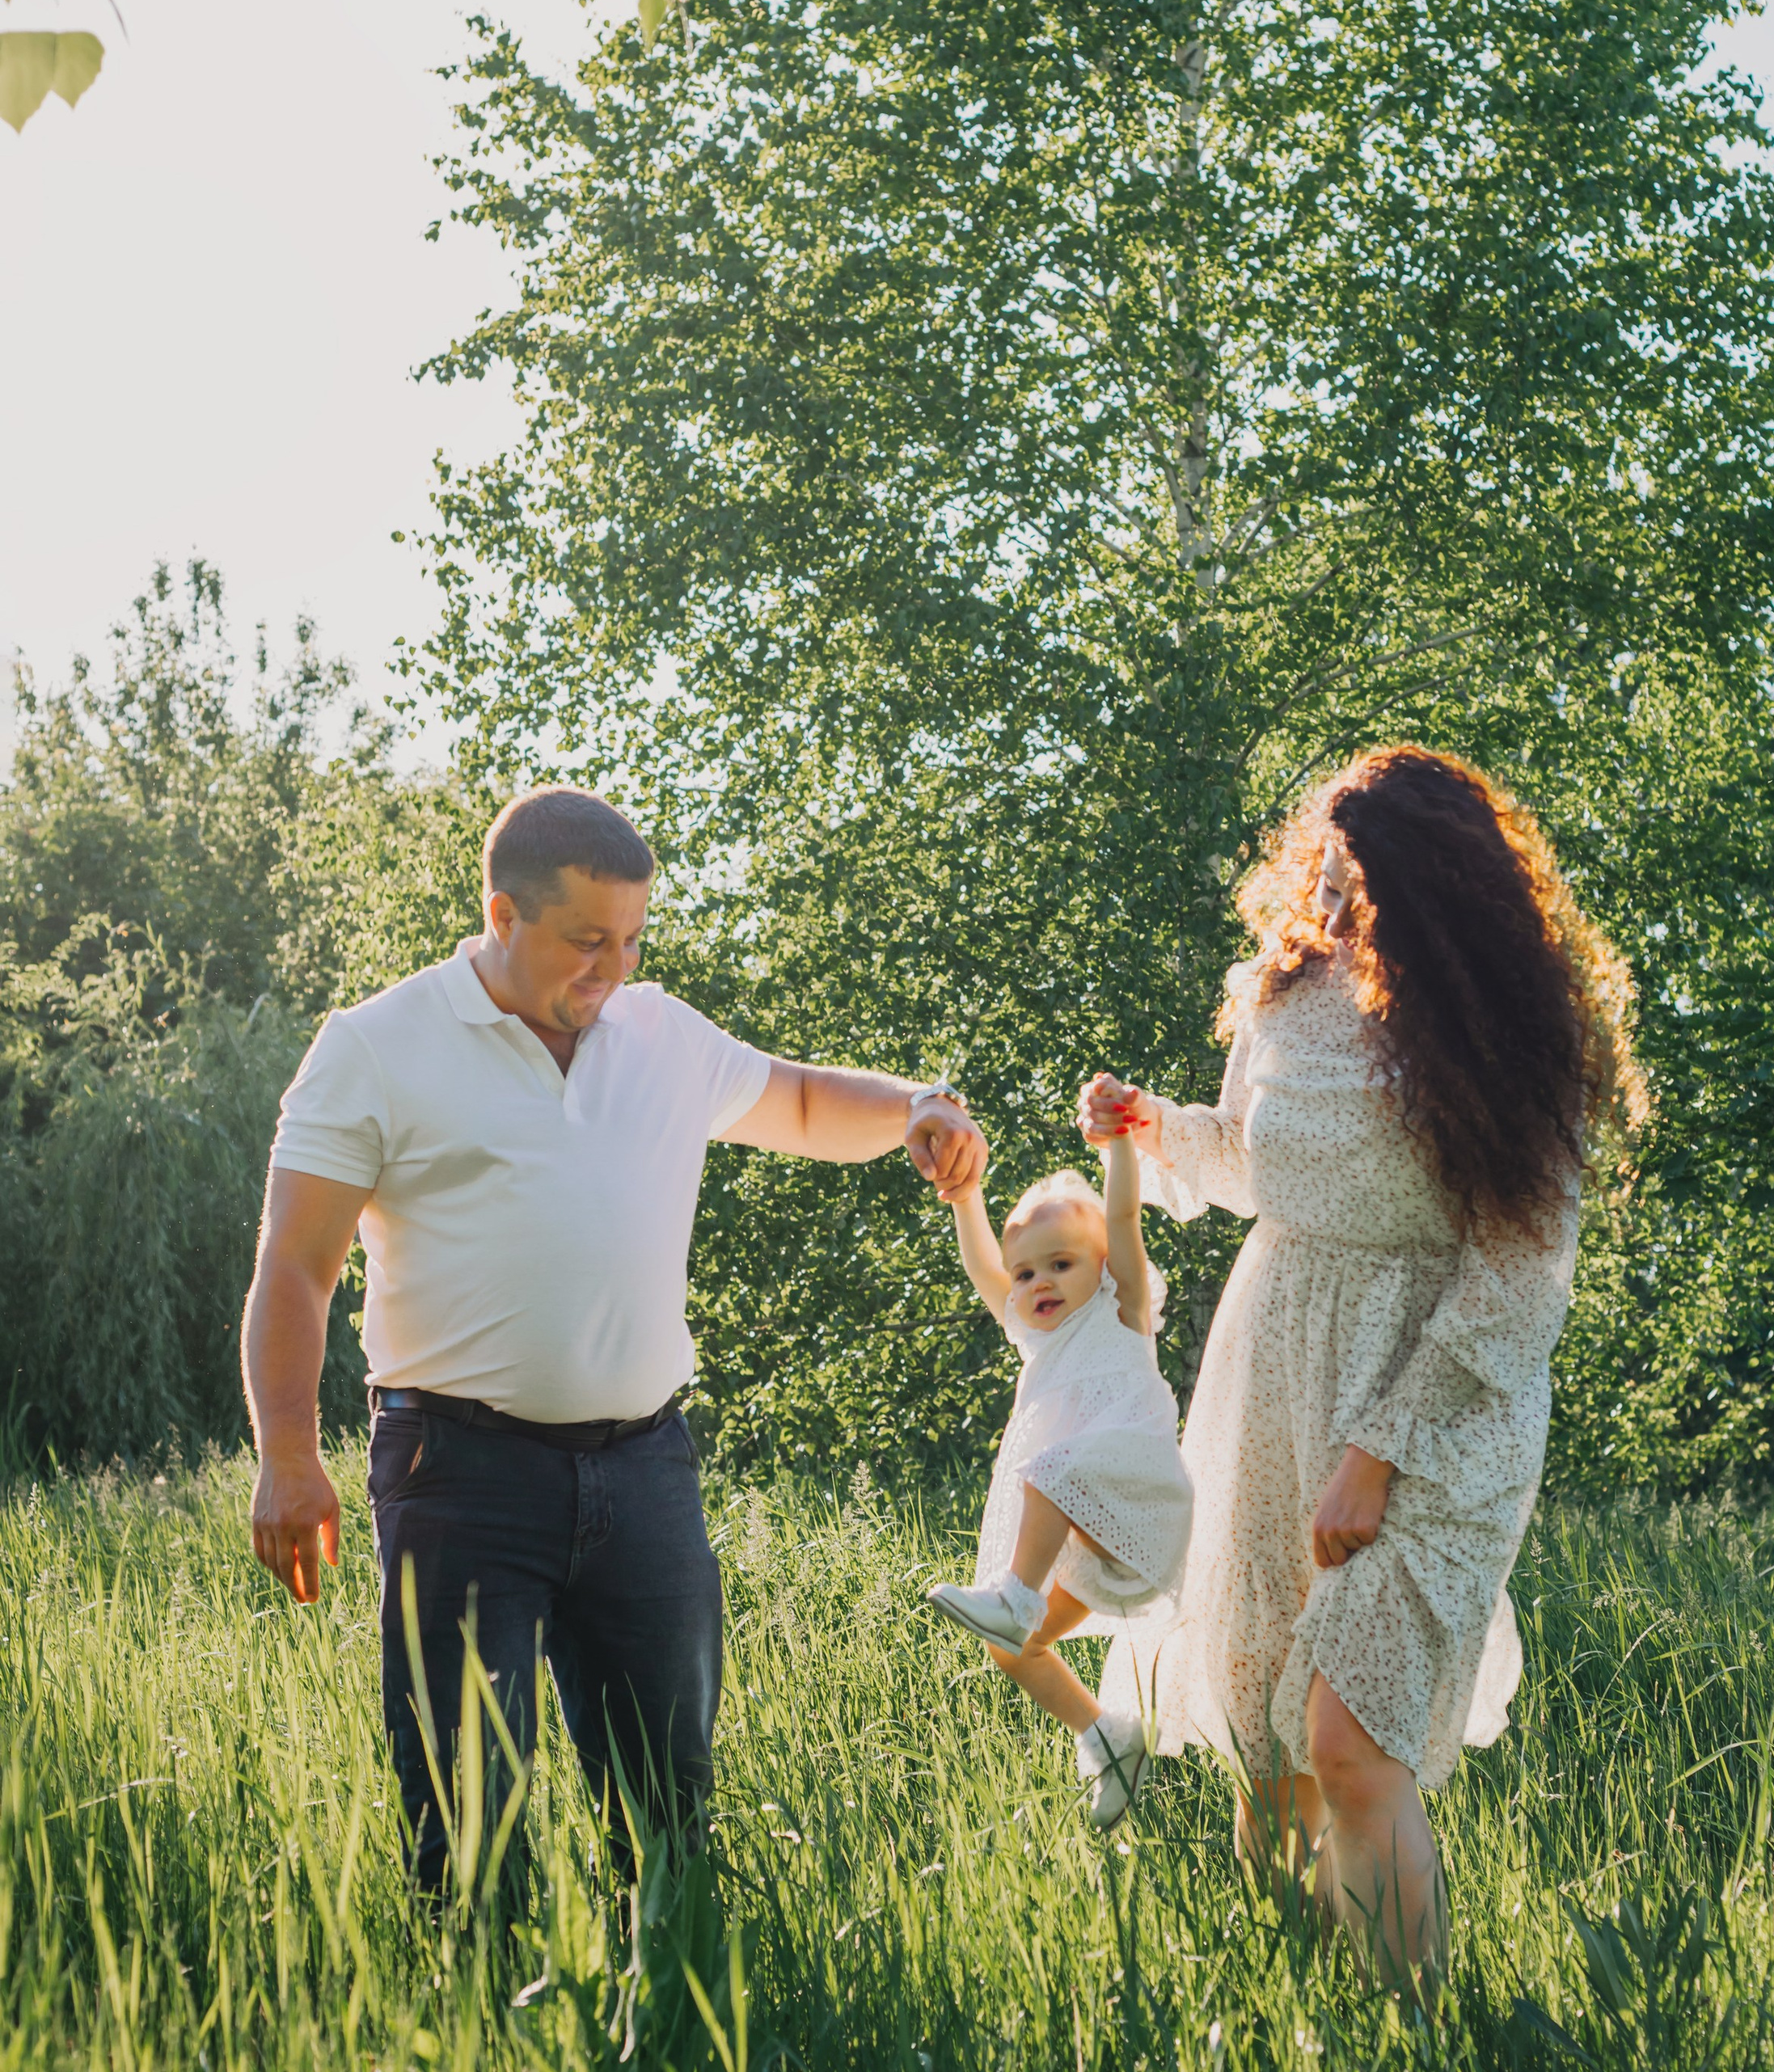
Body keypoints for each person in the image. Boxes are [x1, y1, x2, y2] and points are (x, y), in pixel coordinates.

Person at [241, 783, 986, 1892]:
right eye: (587, 942)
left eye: (632, 939)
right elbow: (295, 1270)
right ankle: (484, 2039)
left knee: (668, 1810)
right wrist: (289, 1458)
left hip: (644, 1470)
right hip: (460, 1473)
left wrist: (920, 1106)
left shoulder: (661, 1034)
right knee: (468, 1810)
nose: (614, 969)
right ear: (503, 916)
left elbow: (796, 1101)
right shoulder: (375, 1048)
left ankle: (667, 2039)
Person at [1078, 745, 1643, 1995]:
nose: (1329, 899)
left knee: (1349, 1743)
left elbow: (1516, 1279)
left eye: (1360, 879)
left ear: (1436, 891)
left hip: (1443, 1400)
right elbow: (1251, 1160)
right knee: (1263, 1744)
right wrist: (1152, 1128)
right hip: (1276, 1356)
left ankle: (1421, 2048)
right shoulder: (1281, 990)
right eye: (1324, 868)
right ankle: (1301, 2038)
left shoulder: (1512, 1024)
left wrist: (1375, 1456)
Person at [924, 1130, 1193, 1831]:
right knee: (1012, 1649)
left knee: (1049, 1471)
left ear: (1103, 1268)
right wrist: (965, 1196)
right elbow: (985, 1266)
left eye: (1062, 1264)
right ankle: (1109, 1738)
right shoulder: (1037, 1340)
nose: (1038, 1283)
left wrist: (1119, 1150)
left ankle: (1013, 1596)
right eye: (1027, 1274)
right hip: (1090, 1542)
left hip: (1140, 1505)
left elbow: (1126, 1219)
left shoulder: (1123, 1314)